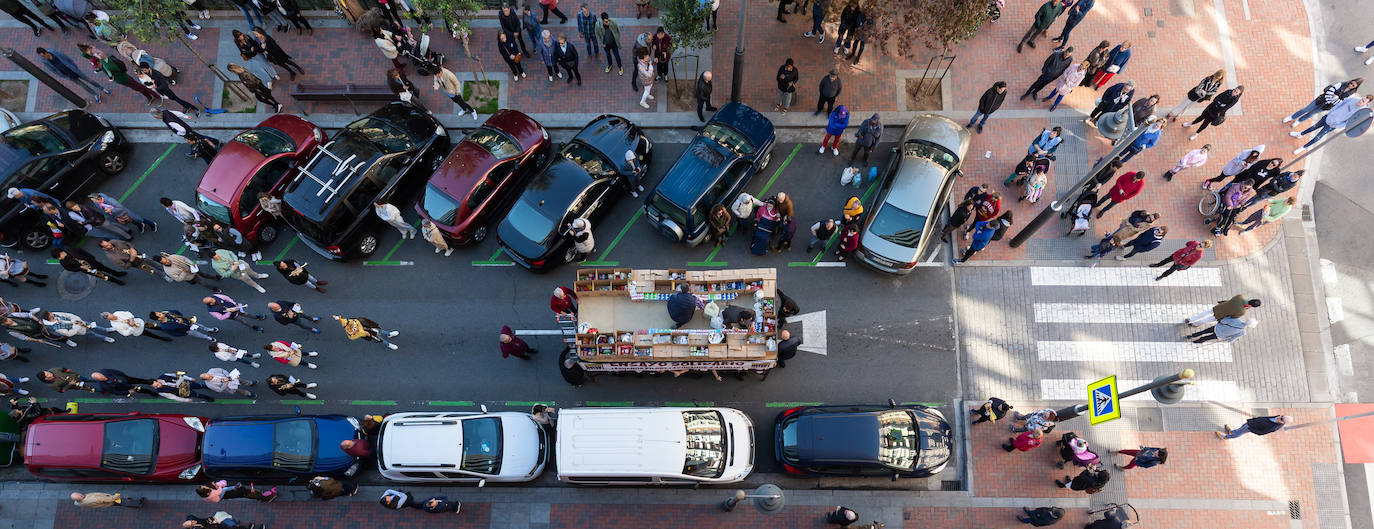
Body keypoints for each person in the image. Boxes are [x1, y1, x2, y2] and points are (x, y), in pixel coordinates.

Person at [1291, 94, 1374, 155]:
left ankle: (1302, 148)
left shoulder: (1360, 113)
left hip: (1333, 125)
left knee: (1318, 137)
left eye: (1363, 101)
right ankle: (1300, 134)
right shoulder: (1353, 99)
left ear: (1367, 103)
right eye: (1361, 99)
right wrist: (1330, 113)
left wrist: (1336, 126)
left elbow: (1348, 123)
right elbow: (1340, 104)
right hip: (1328, 117)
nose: (1360, 101)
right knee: (1313, 127)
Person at [36, 47, 110, 102]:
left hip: (74, 70)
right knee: (83, 86)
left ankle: (102, 88)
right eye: (41, 56)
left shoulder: (54, 52)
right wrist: (63, 76)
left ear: (46, 52)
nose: (43, 58)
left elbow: (66, 58)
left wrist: (74, 67)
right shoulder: (44, 61)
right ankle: (95, 94)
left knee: (89, 80)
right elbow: (52, 70)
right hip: (68, 75)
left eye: (43, 55)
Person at [1284, 78, 1362, 127]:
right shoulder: (1341, 84)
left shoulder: (1351, 94)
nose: (1350, 85)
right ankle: (1292, 117)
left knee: (1311, 114)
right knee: (1306, 109)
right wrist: (1334, 99)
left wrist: (1336, 98)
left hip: (1327, 106)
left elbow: (1341, 103)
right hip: (1322, 99)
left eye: (1353, 85)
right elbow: (1330, 91)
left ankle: (1298, 121)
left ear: (1355, 87)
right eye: (1351, 83)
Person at [52, 247, 125, 285]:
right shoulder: (63, 262)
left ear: (61, 253)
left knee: (105, 269)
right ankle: (117, 281)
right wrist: (79, 267)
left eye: (59, 257)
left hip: (92, 262)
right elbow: (69, 269)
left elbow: (82, 252)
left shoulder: (70, 249)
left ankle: (117, 274)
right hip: (87, 269)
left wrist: (92, 258)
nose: (59, 259)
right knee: (102, 276)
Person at [1187, 295, 1261, 326]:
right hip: (1220, 315)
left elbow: (1230, 300)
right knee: (1206, 320)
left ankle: (1191, 319)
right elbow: (1233, 317)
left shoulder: (1240, 296)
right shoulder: (1243, 312)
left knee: (1205, 313)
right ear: (1253, 307)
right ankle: (1195, 324)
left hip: (1220, 307)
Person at [334, 315, 400, 350]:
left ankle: (389, 334)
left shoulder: (350, 322)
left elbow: (343, 321)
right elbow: (355, 336)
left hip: (369, 327)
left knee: (380, 330)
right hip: (368, 334)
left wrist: (339, 319)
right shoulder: (353, 332)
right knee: (379, 339)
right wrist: (366, 334)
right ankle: (388, 345)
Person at [149, 309, 218, 341]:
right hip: (187, 330)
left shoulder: (167, 313)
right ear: (159, 319)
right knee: (198, 334)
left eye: (159, 312)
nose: (162, 313)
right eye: (160, 314)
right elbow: (175, 334)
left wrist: (178, 317)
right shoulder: (165, 327)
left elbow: (177, 311)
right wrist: (185, 333)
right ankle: (207, 338)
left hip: (189, 322)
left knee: (201, 326)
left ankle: (209, 329)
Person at [1188, 315, 1257, 343]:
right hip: (1220, 335)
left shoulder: (1236, 320)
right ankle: (1196, 341)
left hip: (1217, 327)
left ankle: (1192, 336)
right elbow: (1232, 339)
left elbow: (1223, 321)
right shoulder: (1242, 332)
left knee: (1203, 331)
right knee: (1206, 338)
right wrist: (1229, 341)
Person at [1217, 414, 1289, 440]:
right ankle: (1232, 432)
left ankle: (1226, 437)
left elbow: (1261, 432)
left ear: (1283, 422)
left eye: (1282, 418)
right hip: (1252, 422)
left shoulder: (1273, 427)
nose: (1280, 417)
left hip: (1252, 427)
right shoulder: (1278, 417)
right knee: (1241, 428)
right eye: (1282, 416)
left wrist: (1251, 429)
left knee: (1240, 432)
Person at [196, 481, 276, 502]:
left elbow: (214, 484)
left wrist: (216, 485)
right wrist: (235, 487)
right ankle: (266, 498)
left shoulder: (207, 492)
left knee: (246, 492)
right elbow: (222, 489)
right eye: (204, 487)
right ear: (206, 492)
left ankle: (260, 496)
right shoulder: (212, 494)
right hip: (222, 495)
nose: (205, 486)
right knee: (247, 493)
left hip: (226, 493)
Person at [71, 491, 143, 509]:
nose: (81, 493)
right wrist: (117, 496)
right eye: (79, 494)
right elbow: (109, 499)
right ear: (80, 496)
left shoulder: (78, 503)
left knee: (122, 503)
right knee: (123, 502)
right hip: (111, 501)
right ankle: (138, 503)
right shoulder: (94, 499)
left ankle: (133, 503)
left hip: (105, 504)